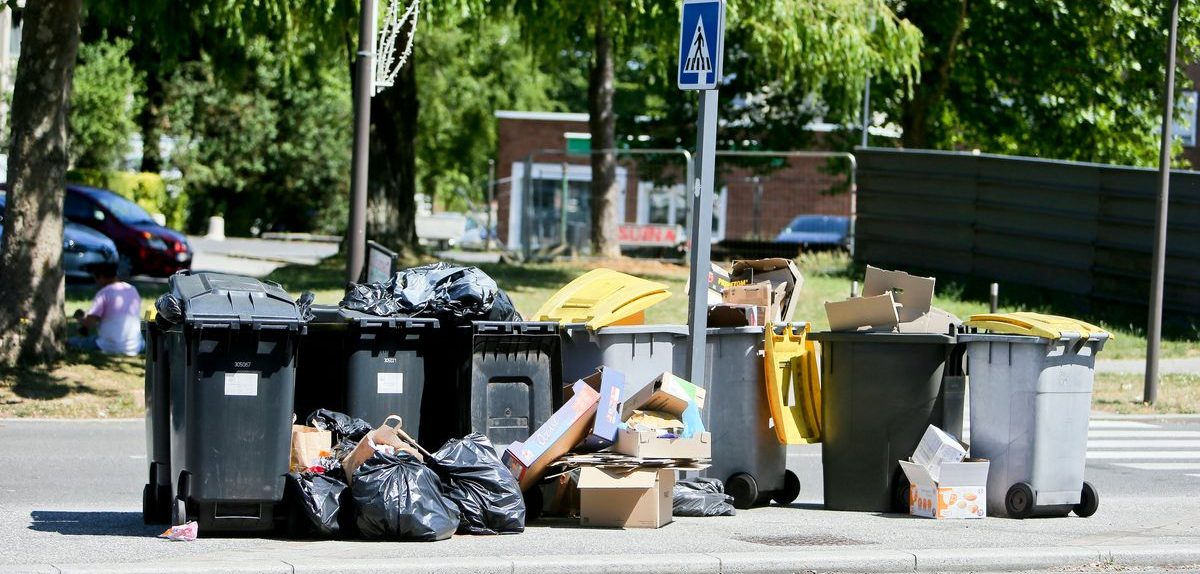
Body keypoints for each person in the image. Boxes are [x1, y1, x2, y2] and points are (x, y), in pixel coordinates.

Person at [69, 263, 144, 355]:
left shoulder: (103, 293)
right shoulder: (133, 290)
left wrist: (80, 319)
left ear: (101, 277)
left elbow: (90, 322)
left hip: (109, 346)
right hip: (136, 346)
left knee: (72, 341)